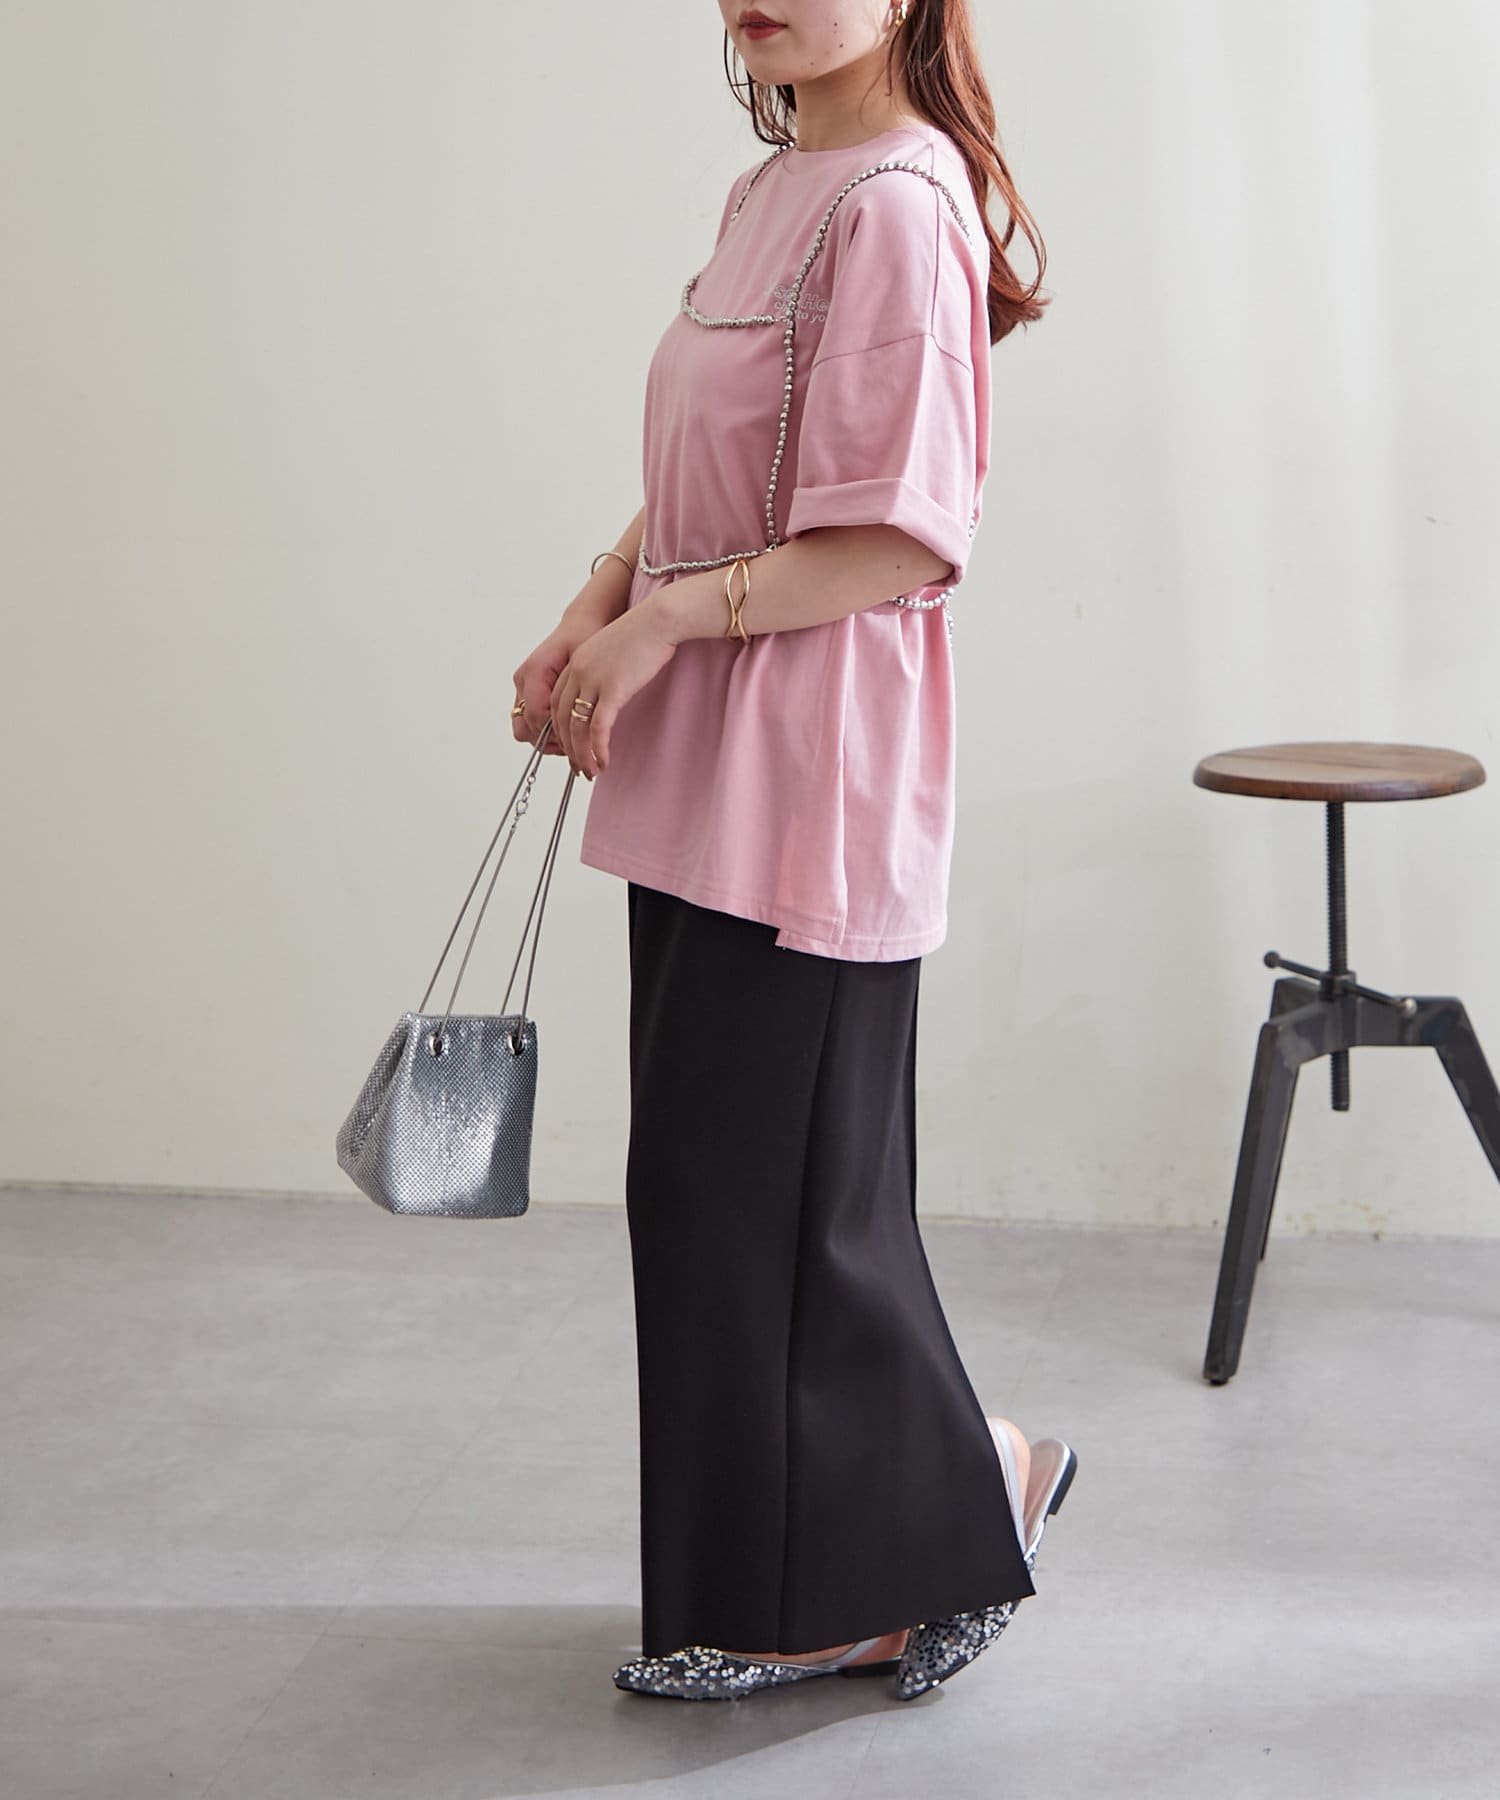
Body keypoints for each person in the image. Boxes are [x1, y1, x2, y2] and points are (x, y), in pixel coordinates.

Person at [509, 0, 1077, 1702]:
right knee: (720, 1190)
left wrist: (663, 623)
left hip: (814, 768)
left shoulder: (898, 203)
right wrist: (600, 600)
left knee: (785, 1197)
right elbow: (721, 460)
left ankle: (929, 1522)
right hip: (711, 749)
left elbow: (901, 538)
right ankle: (897, 1528)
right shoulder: (773, 188)